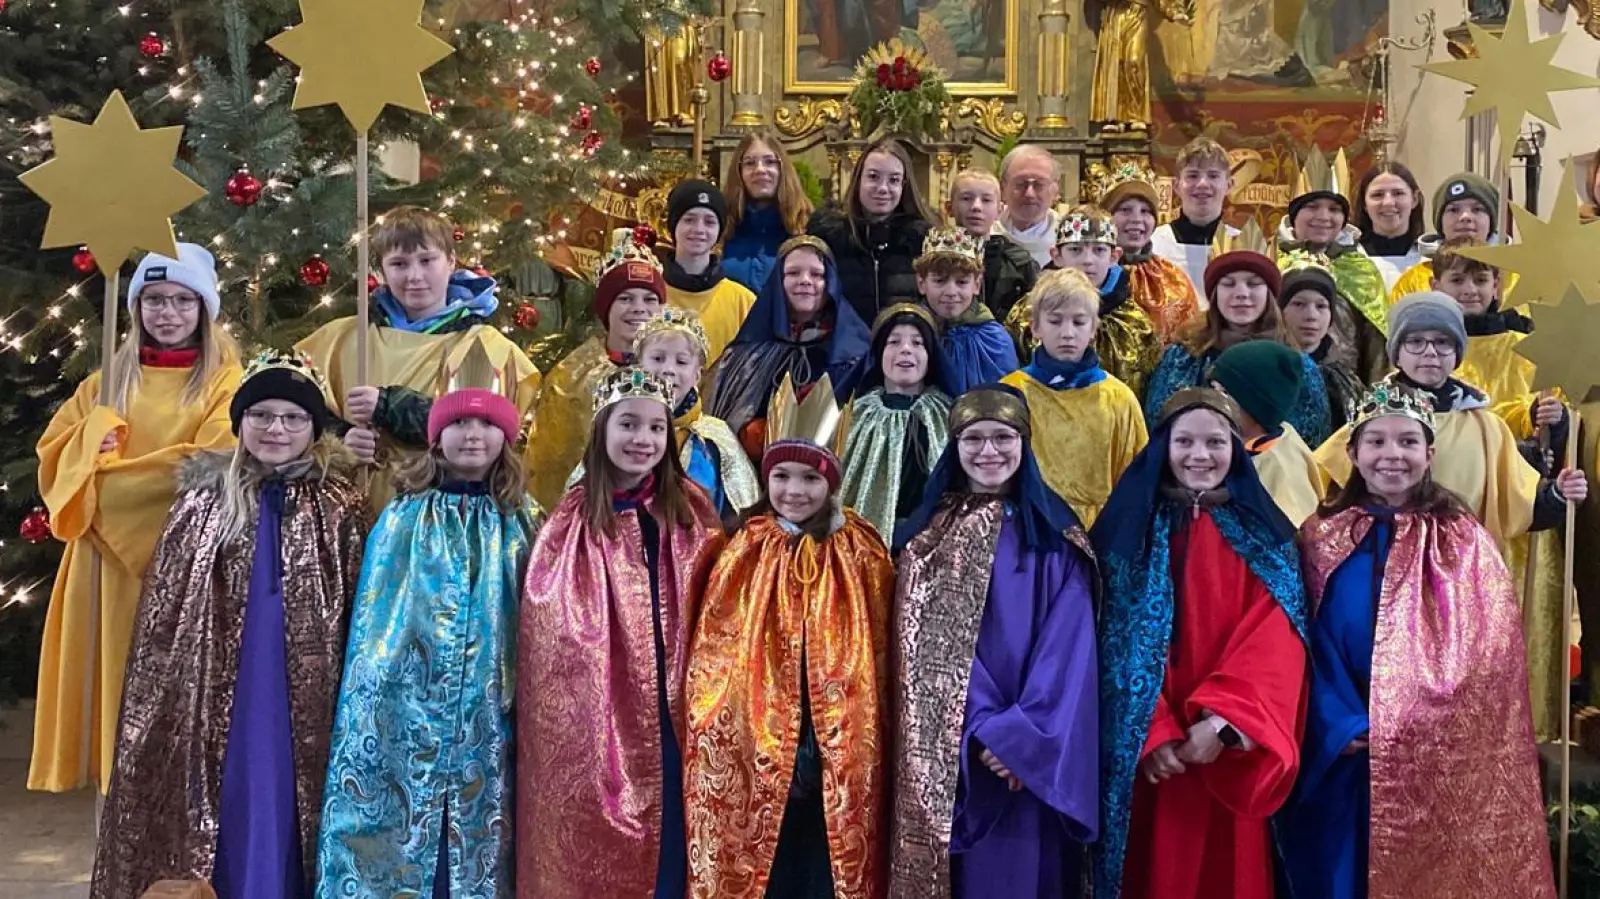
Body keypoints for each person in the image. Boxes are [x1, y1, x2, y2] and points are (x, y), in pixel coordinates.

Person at [92, 351, 365, 899]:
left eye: (293, 417)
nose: (276, 429)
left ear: (313, 428)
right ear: (240, 422)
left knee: (288, 795)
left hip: (304, 694)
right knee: (226, 793)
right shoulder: (200, 503)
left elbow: (359, 606)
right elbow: (166, 620)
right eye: (261, 415)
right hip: (217, 690)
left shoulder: (338, 505)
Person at [1278, 380, 1557, 899]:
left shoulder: (1462, 536)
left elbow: (1488, 652)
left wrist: (1411, 721)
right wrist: (1339, 723)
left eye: (1407, 442)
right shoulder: (1321, 534)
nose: (1392, 455)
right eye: (1377, 441)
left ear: (1429, 454)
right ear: (1354, 453)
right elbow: (1299, 637)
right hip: (1343, 752)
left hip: (1431, 755)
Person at [1314, 293, 1588, 738]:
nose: (1429, 354)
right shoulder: (1374, 417)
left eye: (1442, 344)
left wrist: (1556, 494)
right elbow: (1331, 491)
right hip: (1379, 581)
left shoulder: (1484, 425)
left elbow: (1515, 502)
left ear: (1457, 354)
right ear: (1397, 350)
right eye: (1417, 342)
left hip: (1458, 586)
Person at [317, 363, 542, 899]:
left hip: (490, 709)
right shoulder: (404, 516)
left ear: (506, 438)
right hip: (405, 705)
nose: (472, 435)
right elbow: (377, 618)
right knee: (399, 822)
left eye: (486, 425)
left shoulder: (523, 520)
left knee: (482, 823)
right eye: (459, 423)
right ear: (435, 436)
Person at [32, 243, 243, 794]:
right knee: (110, 689)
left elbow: (210, 460)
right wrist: (84, 443)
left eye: (181, 300)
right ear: (135, 308)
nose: (167, 313)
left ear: (204, 309)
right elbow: (53, 455)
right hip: (100, 569)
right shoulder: (105, 383)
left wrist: (98, 476)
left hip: (180, 567)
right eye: (153, 300)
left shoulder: (225, 382)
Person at [1093, 388, 1309, 899]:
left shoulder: (1266, 537)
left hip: (1227, 752)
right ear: (1163, 448)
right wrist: (1152, 731)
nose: (1200, 455)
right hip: (1151, 756)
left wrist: (1224, 724)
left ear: (1237, 449)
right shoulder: (1126, 534)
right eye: (1185, 441)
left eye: (1215, 442)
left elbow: (1277, 635)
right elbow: (1109, 637)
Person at [685, 374, 895, 899]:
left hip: (834, 749)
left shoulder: (862, 551)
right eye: (781, 476)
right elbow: (715, 652)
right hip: (761, 743)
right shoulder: (744, 550)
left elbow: (882, 653)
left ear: (832, 482)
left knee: (824, 871)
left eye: (809, 479)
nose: (794, 491)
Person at [519, 366, 725, 899]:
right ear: (602, 432)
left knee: (676, 847)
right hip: (604, 720)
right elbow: (552, 645)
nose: (643, 440)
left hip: (678, 713)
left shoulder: (692, 512)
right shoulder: (570, 523)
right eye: (628, 425)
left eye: (656, 429)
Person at [888, 385, 1099, 898]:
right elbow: (922, 645)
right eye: (974, 439)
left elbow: (1070, 648)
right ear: (954, 447)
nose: (989, 452)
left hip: (1034, 759)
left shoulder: (1056, 537)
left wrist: (1021, 740)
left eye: (1003, 437)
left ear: (1025, 445)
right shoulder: (926, 538)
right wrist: (983, 729)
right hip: (959, 753)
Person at [296, 206, 541, 513]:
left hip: (435, 517)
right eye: (399, 263)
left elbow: (479, 433)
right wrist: (341, 439)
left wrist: (389, 405)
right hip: (347, 513)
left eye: (427, 260)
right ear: (382, 271)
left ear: (451, 261)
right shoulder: (342, 339)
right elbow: (296, 413)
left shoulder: (485, 347)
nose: (414, 276)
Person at [526, 232, 665, 506]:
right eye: (625, 298)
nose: (639, 309)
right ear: (606, 306)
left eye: (649, 300)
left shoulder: (673, 372)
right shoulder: (571, 377)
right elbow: (549, 465)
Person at [1001, 269, 1147, 526]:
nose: (1067, 333)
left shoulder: (1118, 399)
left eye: (1079, 322)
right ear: (1035, 326)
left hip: (1099, 532)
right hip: (1030, 528)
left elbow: (1136, 481)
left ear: (1094, 329)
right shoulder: (1012, 393)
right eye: (1055, 321)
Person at [1144, 249, 1331, 446]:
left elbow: (1312, 437)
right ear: (1214, 294)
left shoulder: (1295, 364)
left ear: (1269, 294)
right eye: (1229, 284)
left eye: (1253, 284)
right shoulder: (1181, 357)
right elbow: (1158, 424)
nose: (1241, 294)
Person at [708, 235, 871, 456]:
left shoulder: (855, 354)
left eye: (817, 274)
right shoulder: (749, 352)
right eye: (793, 273)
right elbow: (723, 427)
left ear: (830, 283)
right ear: (778, 281)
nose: (805, 280)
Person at [632, 308, 761, 520]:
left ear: (697, 375)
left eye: (681, 362)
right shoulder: (619, 432)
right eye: (657, 358)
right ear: (638, 367)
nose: (668, 370)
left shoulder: (717, 439)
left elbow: (741, 517)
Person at [1021, 205, 1162, 397]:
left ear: (1114, 257)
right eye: (1076, 249)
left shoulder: (1135, 325)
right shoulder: (1026, 314)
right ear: (1057, 256)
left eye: (1099, 250)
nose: (1088, 260)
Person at [840, 304, 954, 541]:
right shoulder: (857, 413)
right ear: (879, 353)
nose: (905, 350)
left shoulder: (948, 413)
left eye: (917, 343)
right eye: (894, 342)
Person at [1276, 156, 1388, 382]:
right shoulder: (1272, 263)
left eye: (1334, 209)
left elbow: (1377, 349)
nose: (1324, 217)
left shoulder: (1361, 270)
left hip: (1347, 389)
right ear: (1294, 214)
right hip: (1282, 382)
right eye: (1312, 207)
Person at [808, 136, 936, 323]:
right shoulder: (828, 237)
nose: (883, 188)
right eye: (873, 177)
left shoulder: (924, 241)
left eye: (894, 180)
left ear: (904, 186)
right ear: (858, 179)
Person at [1207, 341, 1326, 527]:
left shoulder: (1278, 464)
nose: (1214, 401)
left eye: (1224, 393)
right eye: (1213, 390)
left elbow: (1296, 533)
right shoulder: (1239, 444)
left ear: (1255, 406)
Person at [1428, 237, 1541, 430]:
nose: (1470, 290)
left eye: (1480, 280)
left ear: (1496, 286)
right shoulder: (1424, 350)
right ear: (1435, 286)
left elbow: (1546, 416)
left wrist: (1543, 419)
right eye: (1457, 280)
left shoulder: (1527, 351)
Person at [1097, 161, 1203, 342]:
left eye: (1145, 211)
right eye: (1125, 210)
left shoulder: (1173, 280)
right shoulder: (1089, 272)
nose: (1137, 219)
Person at [664, 179, 758, 368]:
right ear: (674, 225)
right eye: (689, 220)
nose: (699, 229)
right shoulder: (651, 295)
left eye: (709, 222)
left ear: (719, 230)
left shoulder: (743, 301)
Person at [917, 225, 1019, 394]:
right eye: (940, 281)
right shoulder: (912, 334)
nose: (951, 292)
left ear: (977, 285)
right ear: (921, 283)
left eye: (962, 282)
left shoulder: (995, 340)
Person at [1388, 172, 1517, 301]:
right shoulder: (1413, 281)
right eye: (1454, 210)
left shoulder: (1513, 281)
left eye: (1477, 209)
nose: (1465, 217)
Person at [722, 131, 815, 295]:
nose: (760, 169)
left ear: (782, 169)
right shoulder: (723, 228)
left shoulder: (806, 227)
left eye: (769, 162)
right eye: (750, 163)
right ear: (739, 172)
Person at [1277, 253, 1363, 429]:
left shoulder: (1345, 380)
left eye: (1321, 306)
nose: (1311, 316)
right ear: (1280, 311)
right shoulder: (1268, 372)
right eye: (1299, 304)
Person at [1150, 137, 1240, 300]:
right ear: (1176, 185)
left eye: (1213, 175)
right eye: (1192, 176)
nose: (1202, 184)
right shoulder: (1154, 244)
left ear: (1229, 185)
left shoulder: (1242, 244)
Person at [947, 168, 1038, 321]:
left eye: (986, 200)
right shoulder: (934, 258)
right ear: (949, 208)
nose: (976, 206)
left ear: (1000, 210)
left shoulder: (1018, 264)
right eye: (966, 198)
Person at [1354, 161, 1425, 291]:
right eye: (1377, 195)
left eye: (1398, 193)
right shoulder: (1349, 260)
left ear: (1414, 199)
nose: (1388, 202)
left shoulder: (1431, 259)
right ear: (1364, 203)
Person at [996, 145, 1065, 268]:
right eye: (1020, 183)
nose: (1029, 194)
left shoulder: (1067, 238)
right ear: (1003, 188)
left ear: (1055, 190)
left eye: (1039, 184)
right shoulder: (987, 233)